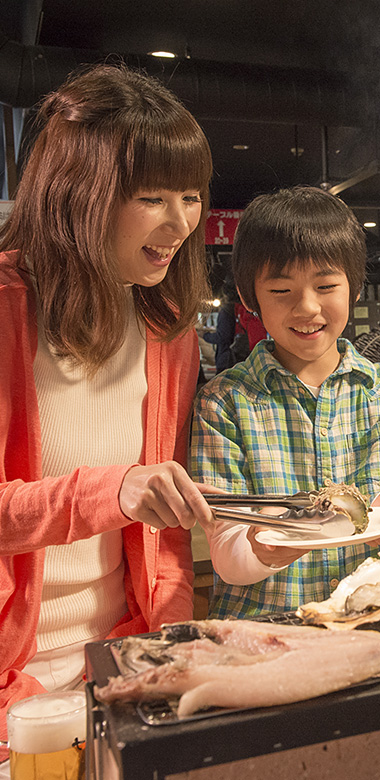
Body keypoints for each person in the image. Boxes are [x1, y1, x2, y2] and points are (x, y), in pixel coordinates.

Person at [0, 64, 217, 764]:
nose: (180, 222)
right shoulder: (5, 308)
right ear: (76, 195)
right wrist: (111, 489)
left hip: (122, 666)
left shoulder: (164, 330)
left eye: (190, 195)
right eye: (151, 197)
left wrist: (169, 648)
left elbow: (167, 540)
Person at [190, 186, 380, 618]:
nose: (307, 307)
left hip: (370, 622)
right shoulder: (222, 403)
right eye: (282, 290)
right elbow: (227, 560)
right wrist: (265, 548)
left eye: (325, 286)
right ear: (250, 298)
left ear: (353, 288)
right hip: (265, 630)